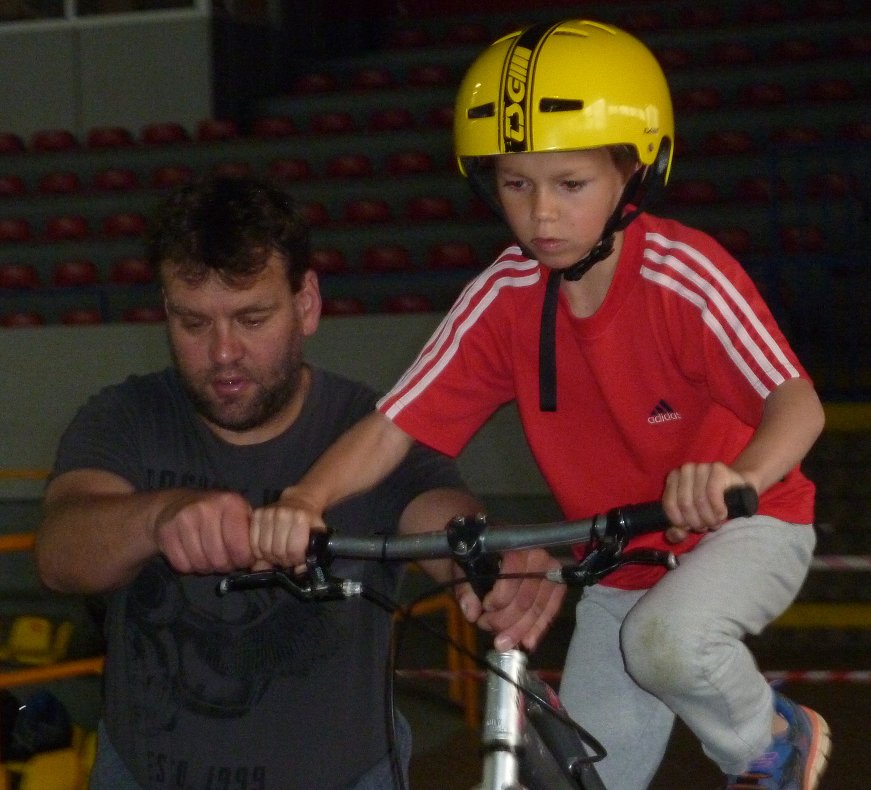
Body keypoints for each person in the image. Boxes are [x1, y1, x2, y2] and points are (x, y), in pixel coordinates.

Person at [248, 20, 832, 790]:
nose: (540, 216)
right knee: (566, 775)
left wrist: (736, 476)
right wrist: (305, 498)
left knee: (669, 641)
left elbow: (798, 404)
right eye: (514, 184)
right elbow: (395, 426)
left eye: (570, 184)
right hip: (621, 565)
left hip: (748, 528)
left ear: (634, 171)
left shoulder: (682, 275)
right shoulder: (504, 296)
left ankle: (769, 741)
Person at [34, 175, 564, 790]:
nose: (224, 352)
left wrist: (497, 569)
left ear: (307, 304)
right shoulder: (124, 418)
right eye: (193, 323)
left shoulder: (369, 431)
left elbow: (448, 522)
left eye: (252, 318)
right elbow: (59, 552)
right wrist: (158, 518)